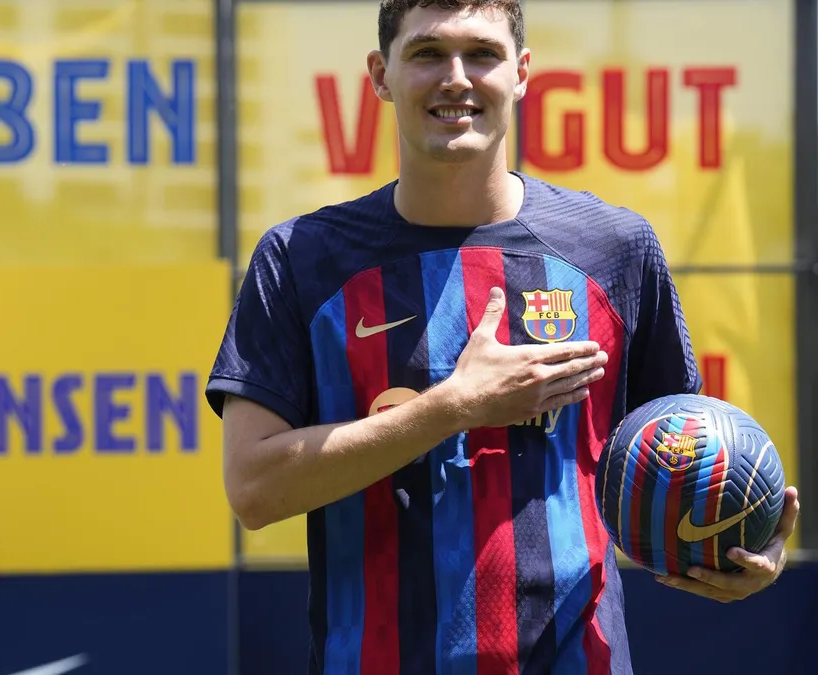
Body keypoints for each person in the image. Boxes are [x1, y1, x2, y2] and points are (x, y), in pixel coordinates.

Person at [204, 0, 801, 673]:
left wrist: (739, 544)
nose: (456, 77)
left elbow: (683, 462)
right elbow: (253, 489)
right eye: (428, 52)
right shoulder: (299, 259)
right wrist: (455, 406)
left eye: (482, 54)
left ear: (521, 73)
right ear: (380, 74)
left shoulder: (616, 249)